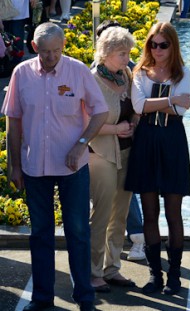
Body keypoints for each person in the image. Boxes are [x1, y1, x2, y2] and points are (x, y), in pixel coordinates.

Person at [3, 23, 110, 311]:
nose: (51, 57)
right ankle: (42, 299)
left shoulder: (78, 71)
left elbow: (101, 111)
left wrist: (82, 143)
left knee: (78, 232)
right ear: (34, 47)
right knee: (40, 234)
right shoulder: (21, 73)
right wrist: (14, 165)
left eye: (56, 51)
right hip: (34, 166)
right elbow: (13, 120)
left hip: (73, 167)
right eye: (45, 52)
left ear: (63, 46)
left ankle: (85, 298)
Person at [124, 22, 190, 296]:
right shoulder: (140, 72)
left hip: (173, 142)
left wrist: (159, 103)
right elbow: (139, 106)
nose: (157, 49)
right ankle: (155, 275)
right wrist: (172, 99)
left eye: (163, 44)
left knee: (173, 213)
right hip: (146, 142)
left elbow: (181, 112)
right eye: (153, 44)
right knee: (149, 212)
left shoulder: (182, 72)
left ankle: (174, 275)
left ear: (173, 45)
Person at [88, 26, 138, 293]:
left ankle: (112, 268)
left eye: (128, 52)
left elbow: (133, 108)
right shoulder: (91, 80)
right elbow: (84, 123)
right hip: (101, 154)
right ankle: (93, 271)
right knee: (101, 214)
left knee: (120, 215)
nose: (127, 58)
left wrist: (133, 123)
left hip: (127, 152)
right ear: (106, 52)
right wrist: (115, 129)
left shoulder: (126, 75)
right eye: (122, 53)